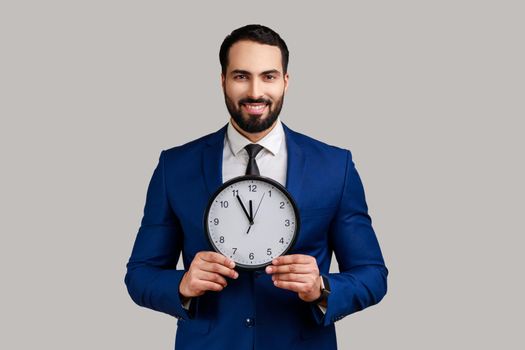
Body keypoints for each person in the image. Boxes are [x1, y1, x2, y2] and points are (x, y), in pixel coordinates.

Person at [125, 24, 388, 350]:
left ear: (286, 82)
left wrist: (322, 288)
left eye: (268, 76)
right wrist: (182, 283)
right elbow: (139, 274)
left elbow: (373, 274)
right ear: (222, 80)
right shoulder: (175, 166)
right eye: (241, 76)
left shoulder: (335, 166)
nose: (255, 91)